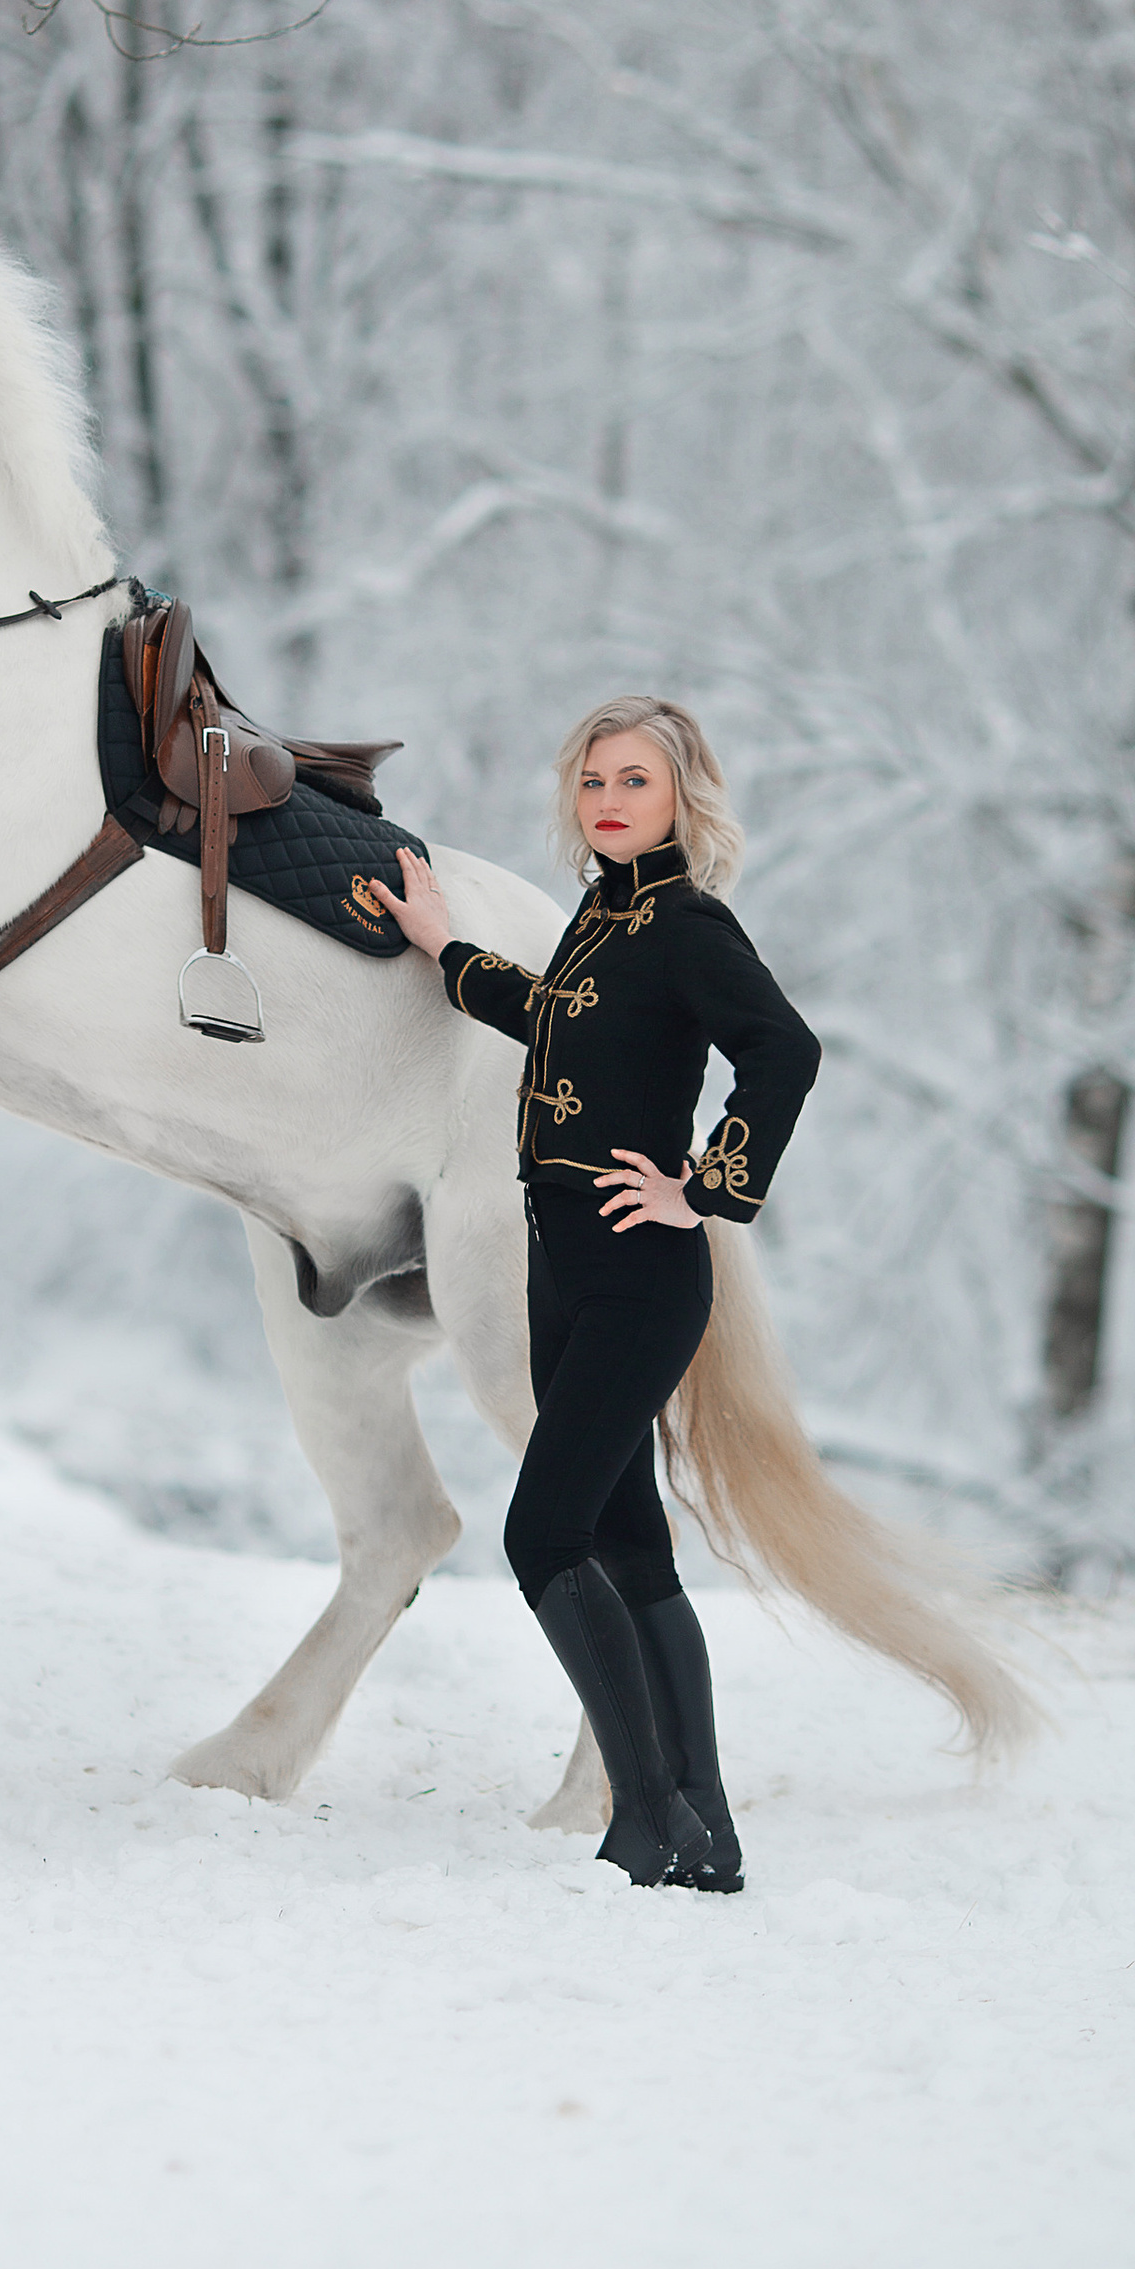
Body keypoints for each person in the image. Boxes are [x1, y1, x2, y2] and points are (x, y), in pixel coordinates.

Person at [372, 697, 820, 1888]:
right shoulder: (598, 922)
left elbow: (785, 1049)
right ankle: (708, 1831)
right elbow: (548, 1022)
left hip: (637, 1270)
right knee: (627, 1545)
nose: (608, 803)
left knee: (542, 1532)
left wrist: (706, 1189)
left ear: (681, 796)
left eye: (632, 782)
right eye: (590, 784)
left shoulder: (686, 924)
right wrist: (438, 944)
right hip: (560, 1263)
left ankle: (646, 1818)